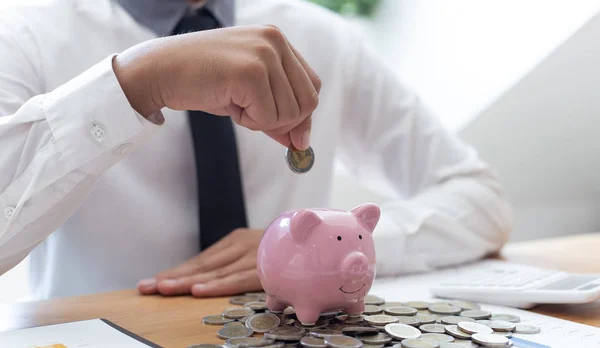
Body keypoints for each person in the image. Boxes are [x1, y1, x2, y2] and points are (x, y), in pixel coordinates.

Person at [0, 0, 513, 300]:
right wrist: (136, 84)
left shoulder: (320, 36)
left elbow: (481, 200)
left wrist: (346, 249)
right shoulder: (24, 35)